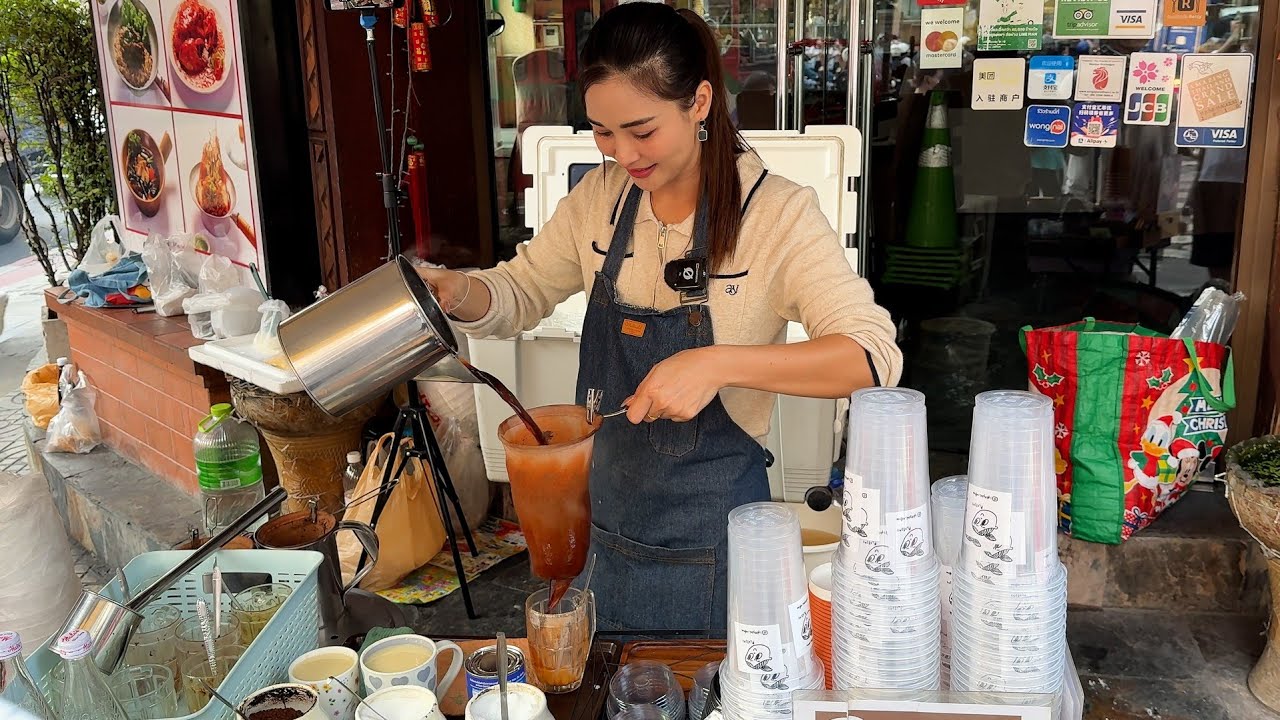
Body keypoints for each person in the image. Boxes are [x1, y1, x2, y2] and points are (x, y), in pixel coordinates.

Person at [418, 2, 901, 632]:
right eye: (602, 132)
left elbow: (871, 357)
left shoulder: (776, 215)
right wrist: (459, 291)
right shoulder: (600, 199)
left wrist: (717, 364)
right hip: (610, 525)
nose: (621, 154)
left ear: (699, 103)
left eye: (641, 132)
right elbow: (521, 290)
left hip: (718, 540)